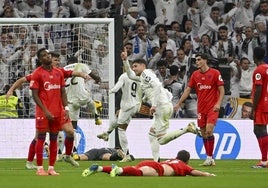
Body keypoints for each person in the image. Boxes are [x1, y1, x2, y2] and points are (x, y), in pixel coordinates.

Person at [6, 52, 91, 170]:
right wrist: (11, 90)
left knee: (70, 132)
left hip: (60, 110)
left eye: (57, 60)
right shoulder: (39, 73)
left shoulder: (60, 72)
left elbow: (73, 73)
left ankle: (67, 155)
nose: (57, 62)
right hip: (44, 110)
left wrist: (83, 74)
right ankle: (30, 162)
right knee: (39, 137)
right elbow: (22, 79)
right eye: (55, 60)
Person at [120, 48, 200, 162]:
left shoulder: (146, 74)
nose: (133, 69)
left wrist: (153, 105)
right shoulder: (142, 76)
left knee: (160, 139)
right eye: (133, 67)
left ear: (143, 66)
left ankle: (186, 129)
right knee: (152, 136)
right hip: (163, 106)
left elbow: (157, 86)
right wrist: (125, 60)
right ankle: (156, 161)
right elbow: (130, 75)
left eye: (135, 66)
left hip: (161, 106)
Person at [174, 52, 225, 166]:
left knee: (209, 130)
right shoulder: (195, 75)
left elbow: (222, 90)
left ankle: (210, 157)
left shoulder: (215, 73)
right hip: (201, 108)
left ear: (205, 60)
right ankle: (209, 158)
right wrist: (179, 103)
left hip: (212, 107)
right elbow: (187, 90)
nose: (197, 62)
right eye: (195, 60)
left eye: (199, 59)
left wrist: (218, 103)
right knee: (203, 133)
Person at [97, 68, 142, 162]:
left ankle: (127, 154)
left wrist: (110, 91)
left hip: (127, 106)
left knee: (121, 129)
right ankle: (107, 133)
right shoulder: (138, 77)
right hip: (136, 105)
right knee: (118, 119)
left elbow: (117, 87)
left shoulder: (124, 76)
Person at [81, 150, 216, 177]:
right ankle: (117, 170)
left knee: (131, 171)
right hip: (158, 169)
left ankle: (98, 168)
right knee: (138, 173)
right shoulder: (183, 165)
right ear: (187, 161)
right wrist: (207, 174)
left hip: (152, 163)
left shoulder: (171, 160)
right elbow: (194, 172)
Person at [251, 47, 268, 168]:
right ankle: (264, 159)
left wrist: (253, 107)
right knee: (260, 130)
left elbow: (258, 89)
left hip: (262, 104)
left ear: (254, 57)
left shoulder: (258, 70)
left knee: (259, 130)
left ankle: (264, 160)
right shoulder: (267, 68)